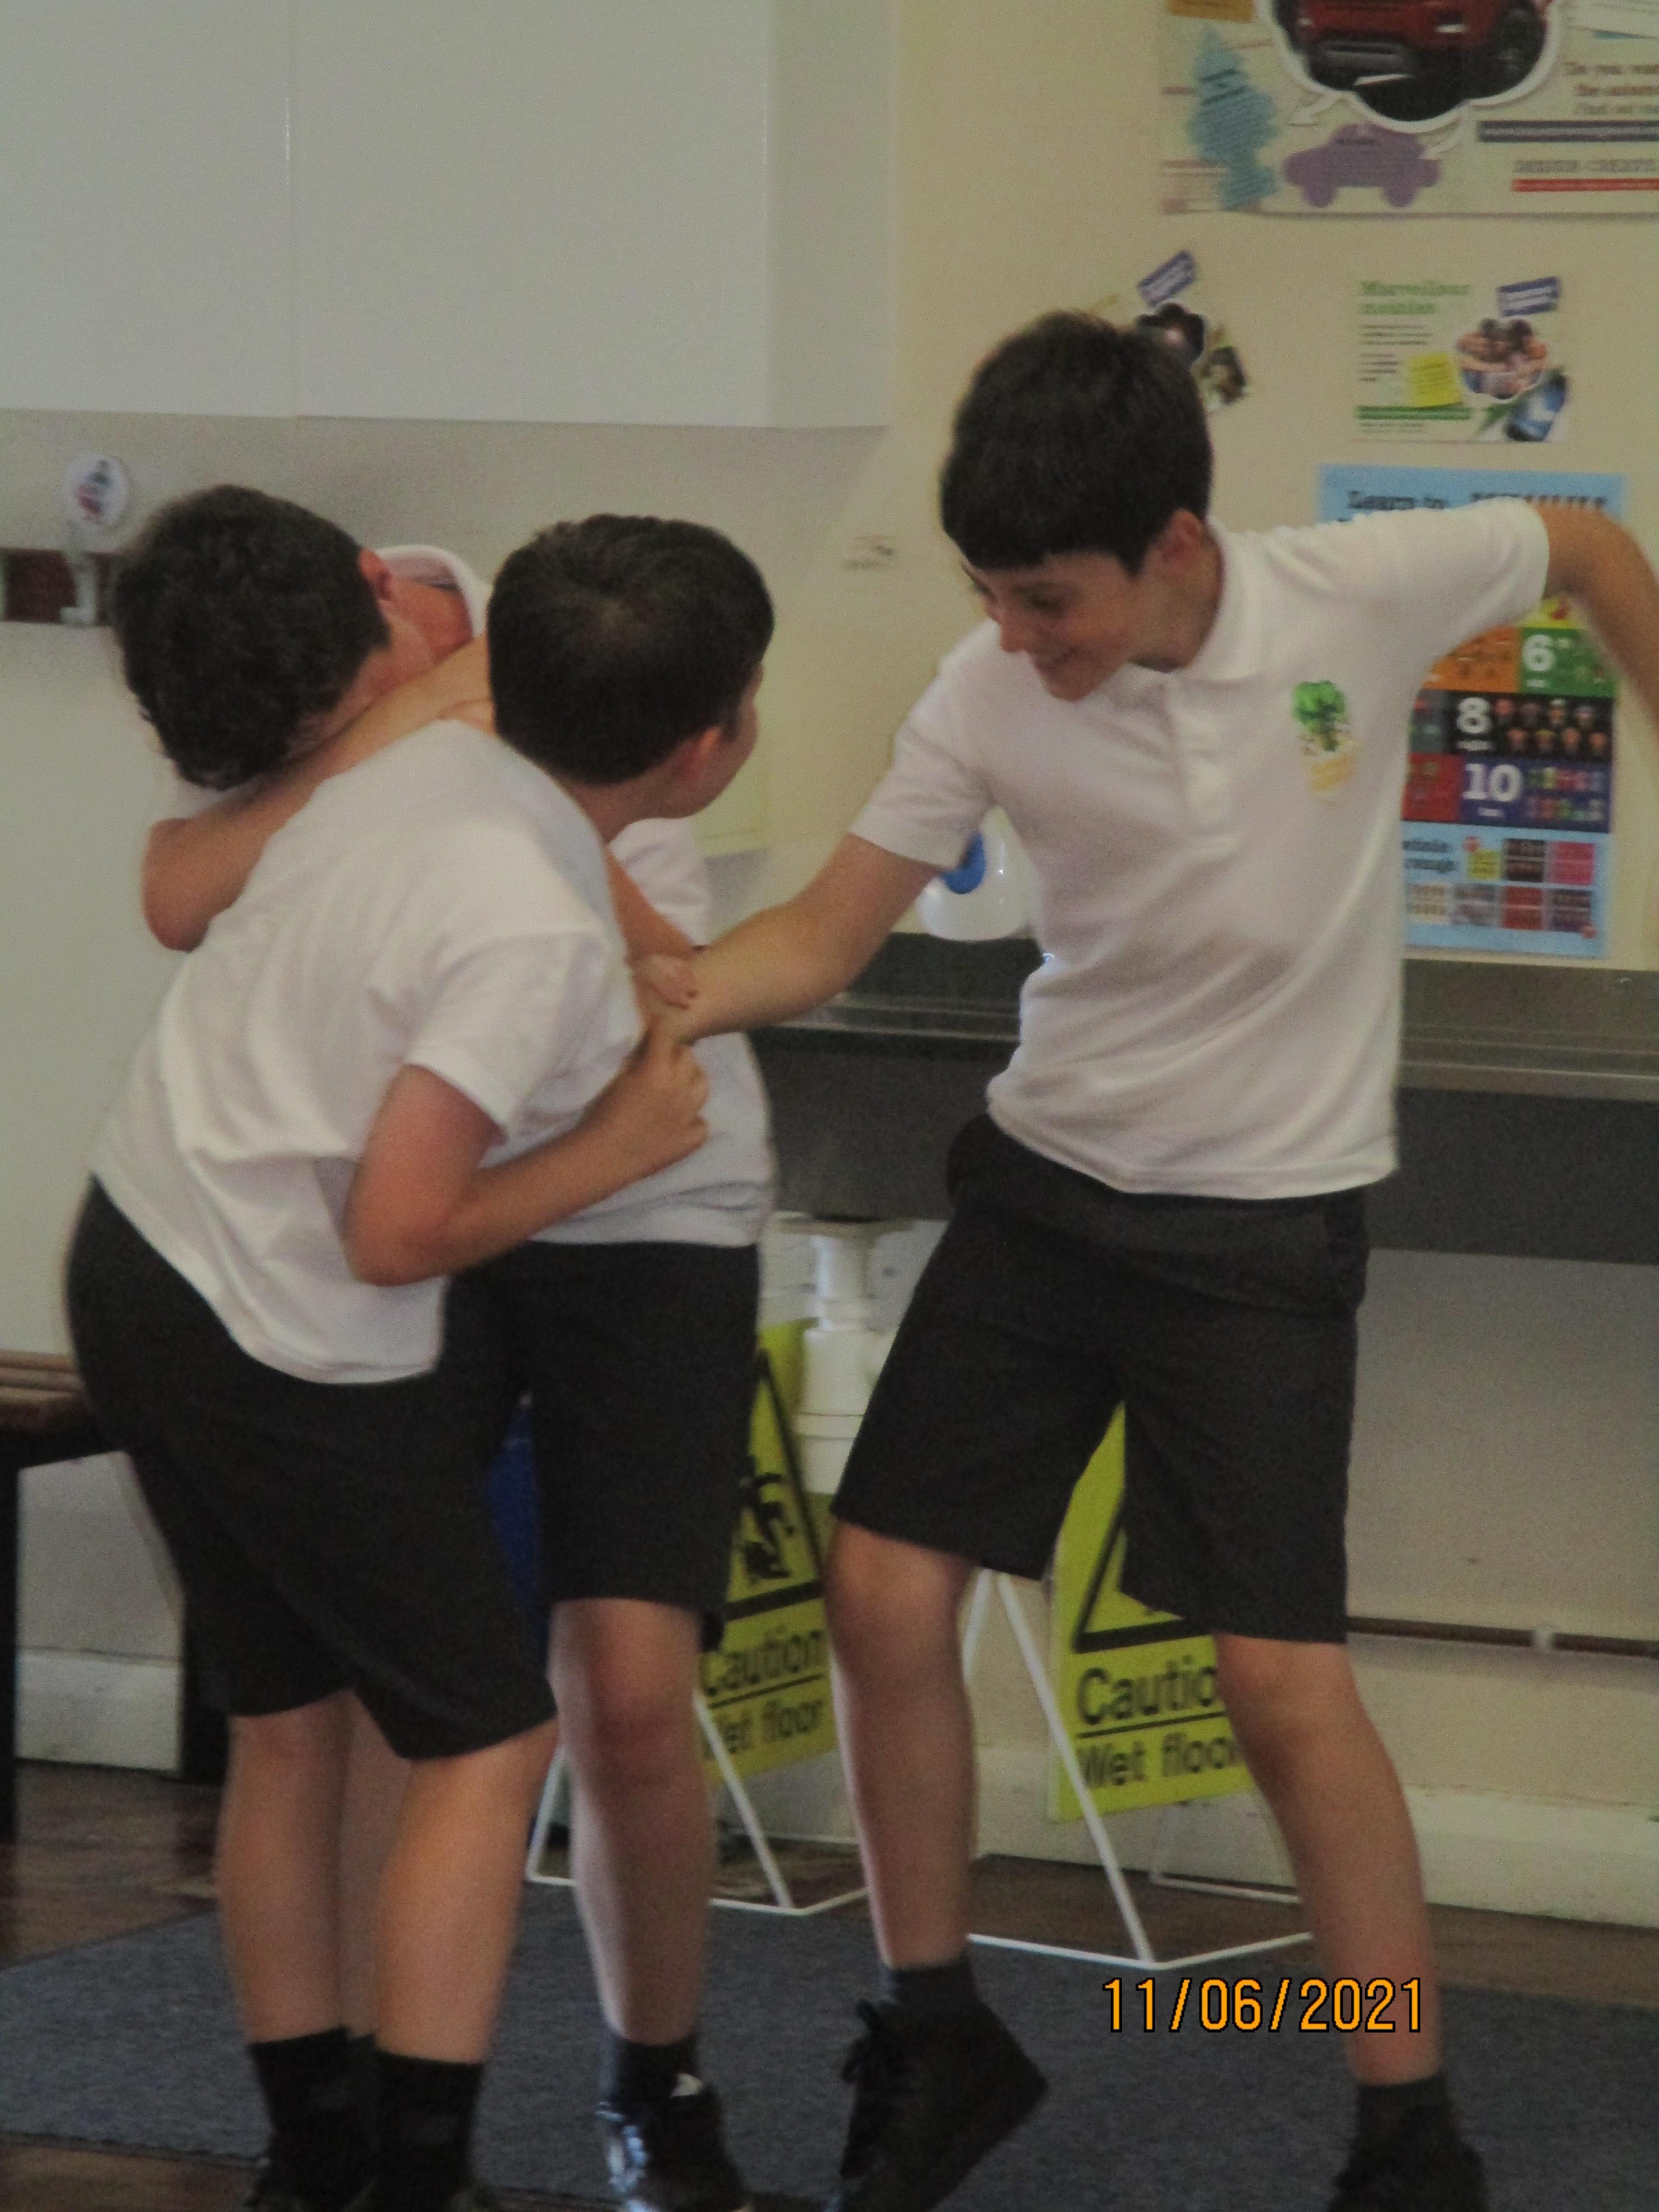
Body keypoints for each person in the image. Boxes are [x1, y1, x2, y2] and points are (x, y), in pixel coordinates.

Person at [665, 313, 1659, 2212]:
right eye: (991, 596)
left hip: (1259, 1235)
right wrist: (664, 995)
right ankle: (938, 2031)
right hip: (1049, 1195)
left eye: (1049, 600)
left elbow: (1595, 550)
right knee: (882, 1590)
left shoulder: (1362, 592)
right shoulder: (988, 688)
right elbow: (827, 931)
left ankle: (1410, 2133)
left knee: (1280, 1685)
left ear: (1177, 546)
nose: (1016, 636)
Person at [69, 486, 762, 2212]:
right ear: (707, 749)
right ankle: (415, 2176)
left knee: (292, 1723)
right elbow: (398, 1231)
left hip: (139, 1253)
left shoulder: (413, 770)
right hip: (269, 1318)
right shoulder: (527, 920)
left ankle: (316, 2159)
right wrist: (614, 1148)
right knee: (484, 1740)